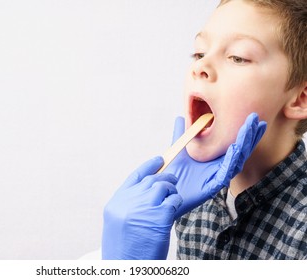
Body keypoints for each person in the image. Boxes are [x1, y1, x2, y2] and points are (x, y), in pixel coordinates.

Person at [102, 0, 307, 260]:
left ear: (300, 98)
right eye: (199, 53)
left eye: (238, 57)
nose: (200, 67)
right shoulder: (186, 204)